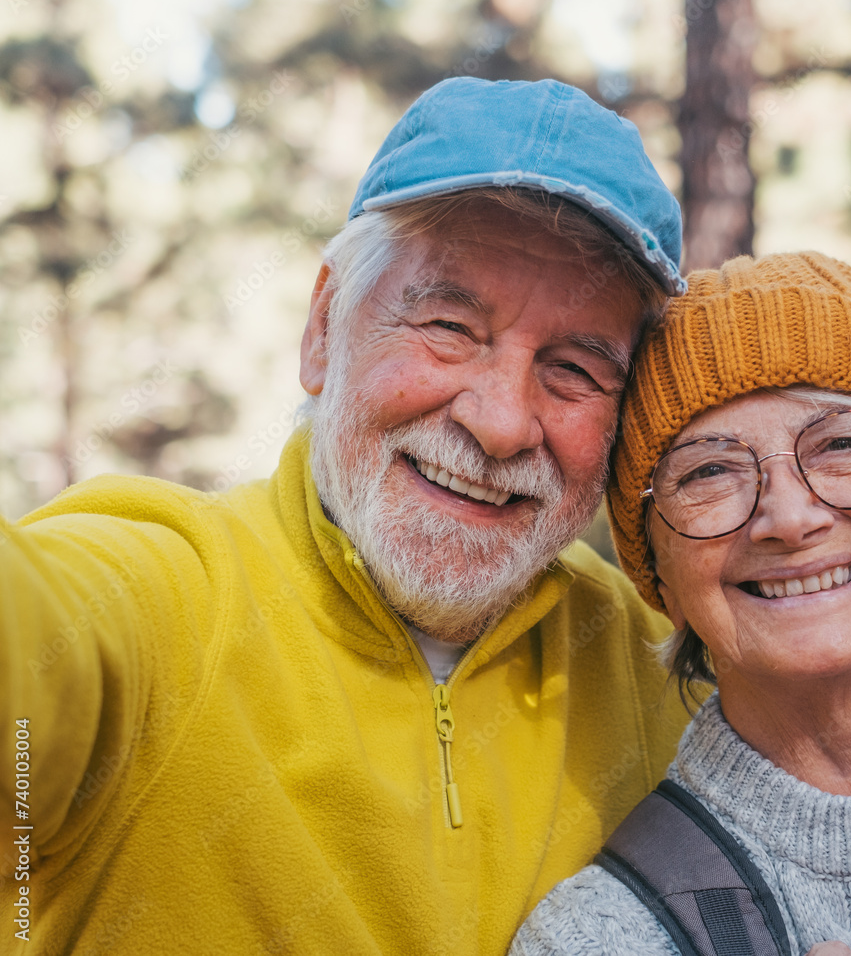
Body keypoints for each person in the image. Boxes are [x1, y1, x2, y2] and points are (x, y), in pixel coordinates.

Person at [0, 77, 697, 954]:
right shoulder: (164, 595)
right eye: (449, 324)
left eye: (575, 371)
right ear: (324, 326)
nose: (501, 420)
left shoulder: (657, 668)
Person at [511, 251, 851, 955]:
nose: (790, 518)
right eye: (710, 471)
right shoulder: (599, 938)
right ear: (660, 574)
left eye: (843, 444)